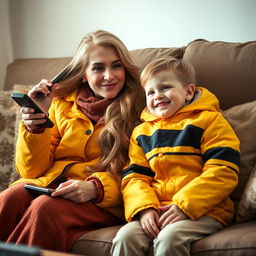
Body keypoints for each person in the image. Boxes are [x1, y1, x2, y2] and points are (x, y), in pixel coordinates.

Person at [0, 30, 145, 252]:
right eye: (98, 68)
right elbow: (31, 171)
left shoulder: (141, 108)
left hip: (105, 199)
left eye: (116, 66)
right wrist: (36, 125)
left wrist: (96, 188)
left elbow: (143, 170)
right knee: (9, 198)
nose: (110, 75)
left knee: (44, 208)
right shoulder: (61, 104)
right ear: (83, 74)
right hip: (55, 187)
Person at [111, 58, 240, 256]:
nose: (157, 96)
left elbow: (223, 170)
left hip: (206, 210)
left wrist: (184, 205)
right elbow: (134, 178)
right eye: (151, 92)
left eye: (165, 88)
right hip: (158, 210)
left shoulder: (209, 120)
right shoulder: (141, 132)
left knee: (169, 238)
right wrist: (144, 209)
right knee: (125, 237)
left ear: (188, 92)